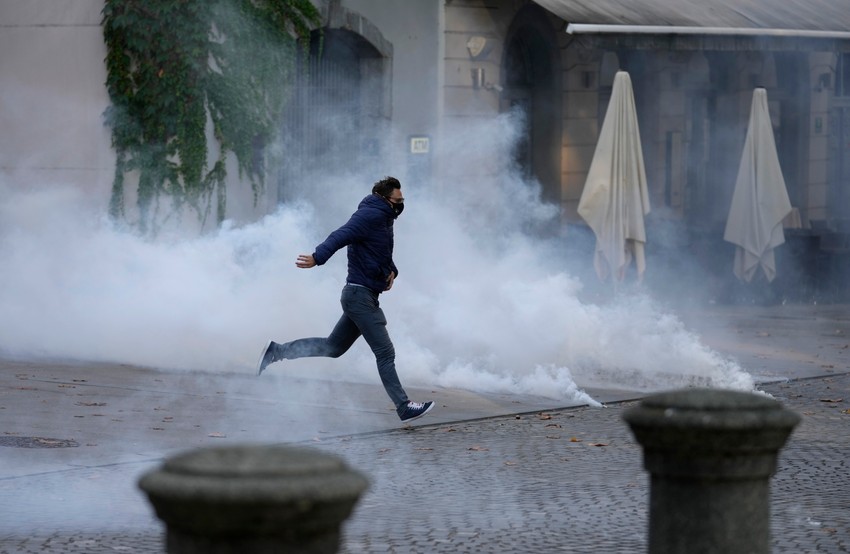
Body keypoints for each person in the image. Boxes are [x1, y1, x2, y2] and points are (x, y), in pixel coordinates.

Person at [256, 176, 435, 423]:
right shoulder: (370, 215)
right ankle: (403, 406)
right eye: (398, 200)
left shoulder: (383, 219)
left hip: (361, 295)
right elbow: (342, 234)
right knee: (385, 352)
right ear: (384, 198)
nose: (401, 204)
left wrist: (392, 270)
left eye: (402, 200)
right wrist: (317, 257)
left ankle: (277, 351)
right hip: (359, 296)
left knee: (333, 347)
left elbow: (379, 251)